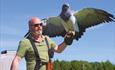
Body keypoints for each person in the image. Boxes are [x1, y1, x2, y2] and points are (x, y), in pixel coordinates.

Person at [11, 17, 75, 70]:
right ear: (30, 27)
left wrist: (66, 42)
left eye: (40, 24)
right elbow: (17, 59)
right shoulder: (25, 42)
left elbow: (58, 49)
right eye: (36, 25)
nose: (39, 27)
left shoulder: (47, 39)